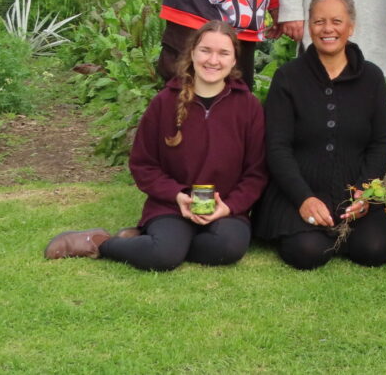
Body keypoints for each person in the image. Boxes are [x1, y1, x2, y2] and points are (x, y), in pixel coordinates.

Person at [45, 21, 268, 271]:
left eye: (223, 53)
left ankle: (158, 242)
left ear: (234, 60)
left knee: (227, 249)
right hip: (172, 205)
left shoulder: (248, 107)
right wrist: (177, 195)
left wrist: (229, 206)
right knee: (163, 256)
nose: (213, 60)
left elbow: (256, 173)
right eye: (205, 50)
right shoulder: (165, 102)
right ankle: (100, 242)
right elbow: (143, 165)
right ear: (192, 52)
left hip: (225, 208)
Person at [254, 0, 386, 270]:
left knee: (374, 250)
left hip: (354, 190)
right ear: (309, 26)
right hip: (298, 189)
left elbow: (380, 142)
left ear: (351, 27)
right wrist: (303, 197)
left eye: (336, 21)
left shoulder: (372, 77)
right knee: (308, 252)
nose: (327, 29)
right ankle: (311, 224)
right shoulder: (288, 77)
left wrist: (365, 193)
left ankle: (346, 224)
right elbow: (277, 146)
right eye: (319, 21)